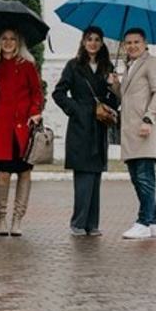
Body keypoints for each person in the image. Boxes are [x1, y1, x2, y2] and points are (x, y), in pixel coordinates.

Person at [53, 26, 121, 237]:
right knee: (83, 174)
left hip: (99, 125)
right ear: (83, 42)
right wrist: (77, 110)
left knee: (96, 175)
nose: (93, 43)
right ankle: (78, 222)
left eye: (97, 39)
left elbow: (114, 102)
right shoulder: (73, 66)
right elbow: (58, 93)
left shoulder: (107, 67)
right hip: (80, 126)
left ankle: (92, 224)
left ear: (101, 43)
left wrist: (114, 87)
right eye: (89, 39)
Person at [0, 27, 44, 237]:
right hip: (2, 128)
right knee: (3, 174)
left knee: (24, 173)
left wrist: (35, 112)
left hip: (24, 128)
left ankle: (17, 219)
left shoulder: (27, 66)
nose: (8, 42)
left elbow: (37, 93)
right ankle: (0, 218)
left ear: (18, 42)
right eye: (4, 39)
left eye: (12, 39)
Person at [118, 27, 156, 240]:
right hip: (130, 132)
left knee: (144, 178)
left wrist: (149, 119)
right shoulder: (129, 67)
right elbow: (128, 97)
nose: (132, 46)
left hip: (144, 129)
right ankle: (153, 222)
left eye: (136, 42)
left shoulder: (153, 62)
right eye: (128, 43)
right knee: (137, 178)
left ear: (145, 43)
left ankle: (143, 222)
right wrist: (115, 85)